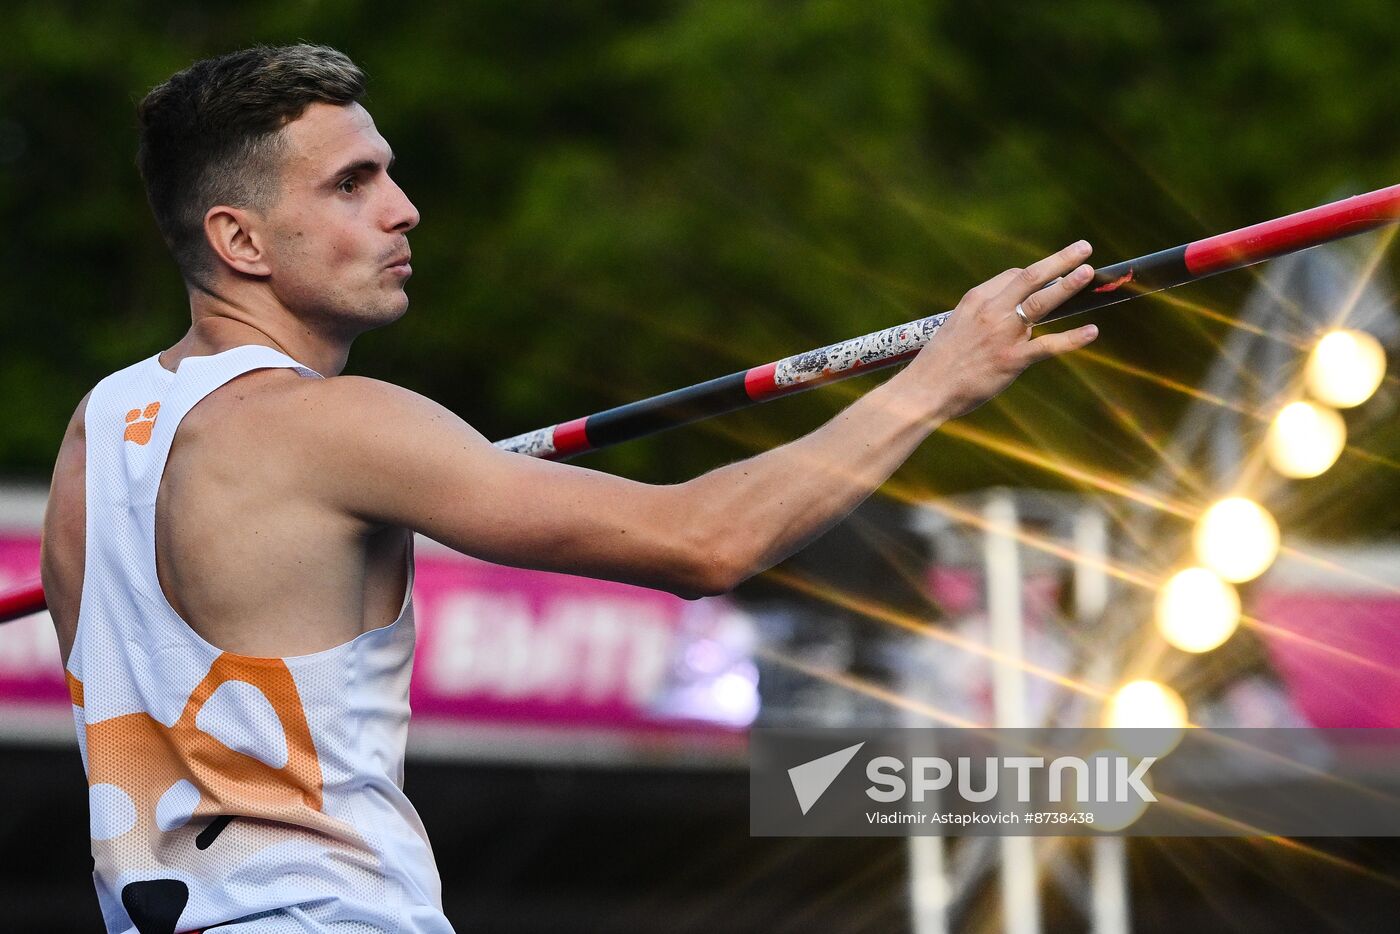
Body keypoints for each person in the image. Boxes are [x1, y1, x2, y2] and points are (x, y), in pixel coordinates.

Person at [38, 43, 1098, 933]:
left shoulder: (97, 431)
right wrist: (937, 381)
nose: (403, 212)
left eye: (388, 173)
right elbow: (703, 542)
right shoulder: (334, 426)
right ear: (237, 238)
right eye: (350, 184)